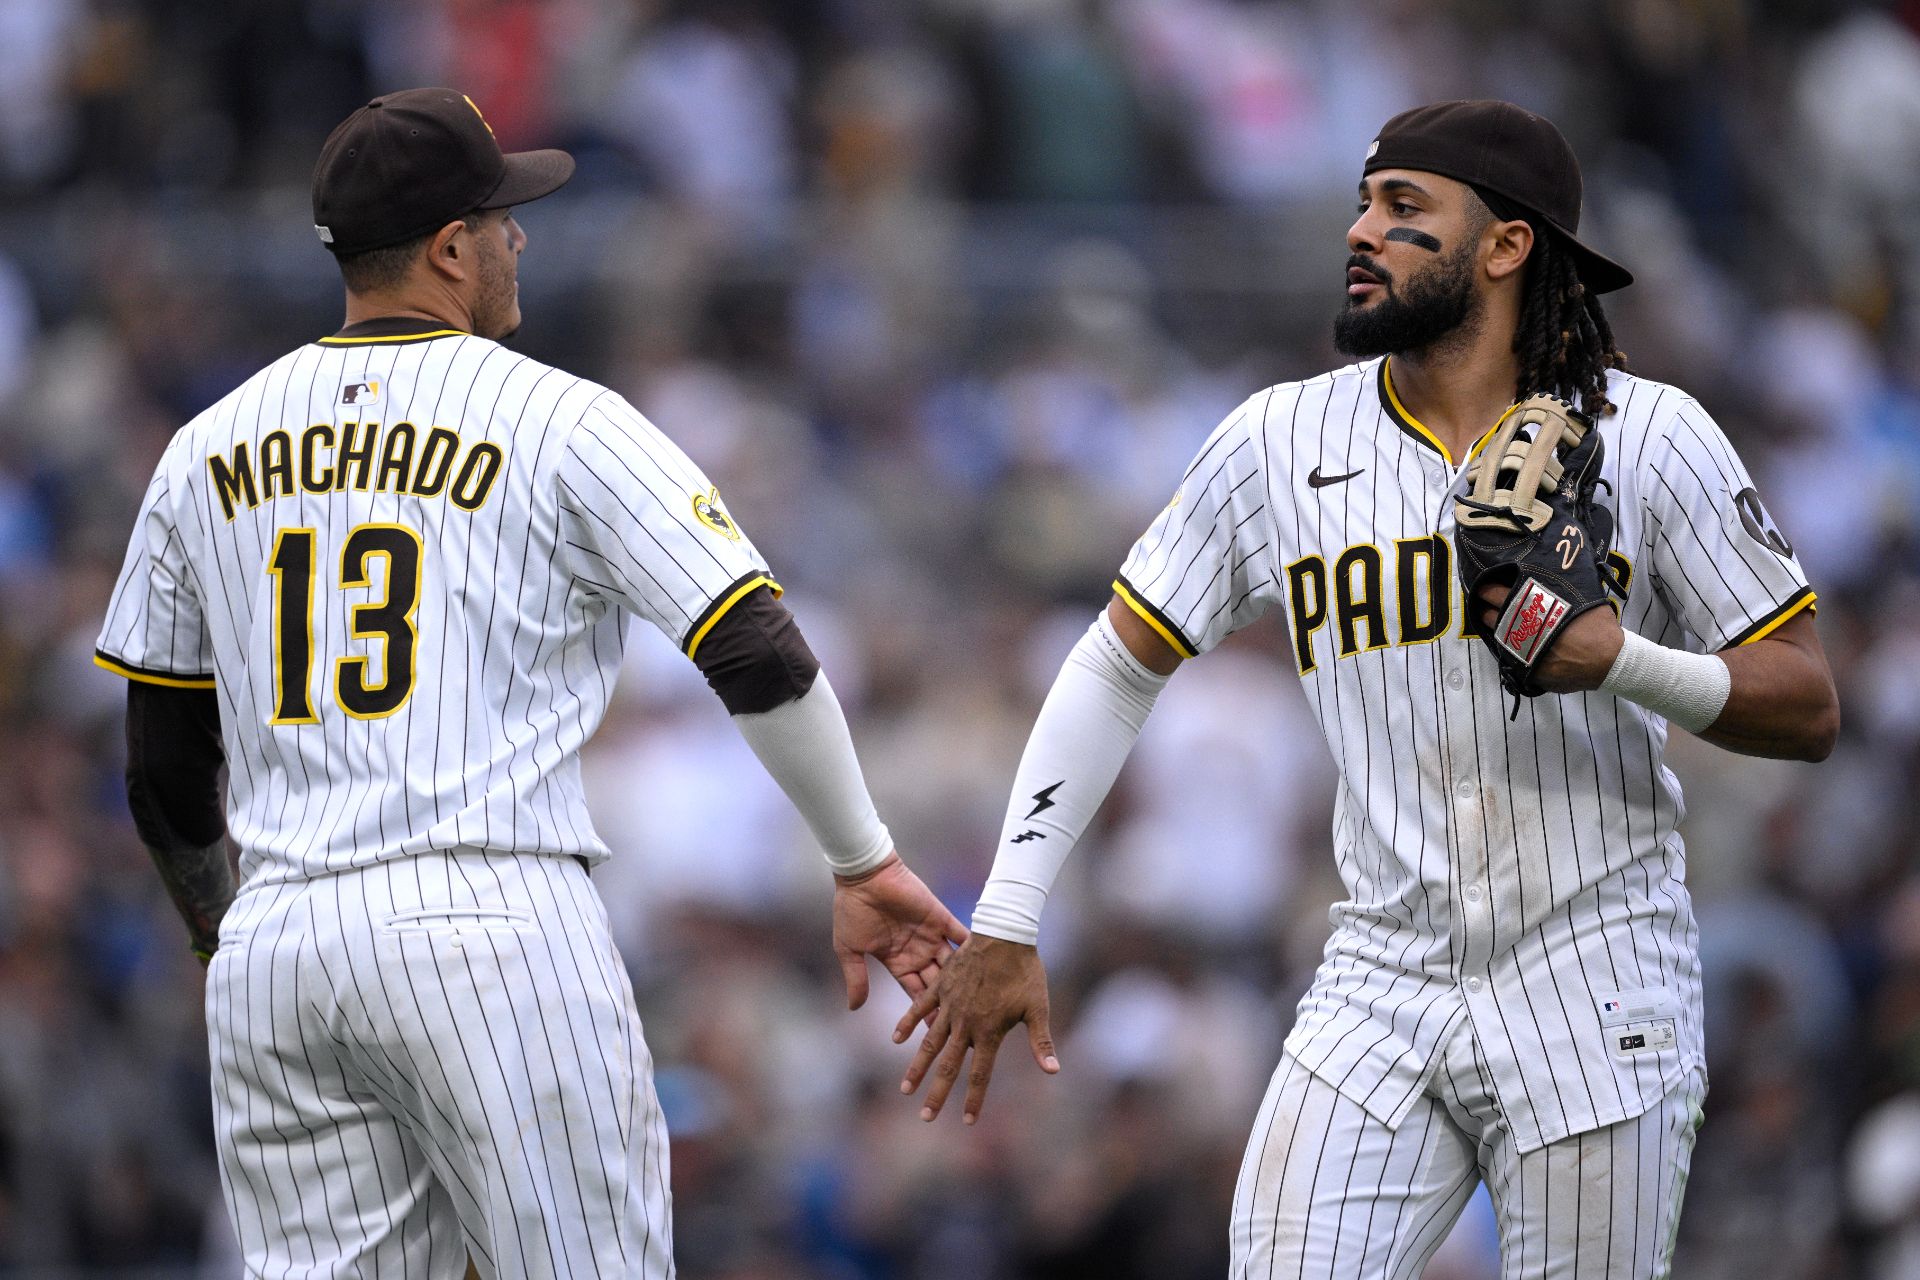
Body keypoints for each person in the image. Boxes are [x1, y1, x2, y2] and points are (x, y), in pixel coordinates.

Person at [899, 100, 1839, 1277]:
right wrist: (1010, 908)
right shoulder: (1277, 439)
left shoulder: (1650, 435)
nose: (1361, 231)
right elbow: (1114, 661)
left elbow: (1807, 703)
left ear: (1507, 245)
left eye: (1404, 209)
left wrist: (1621, 659)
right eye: (1362, 202)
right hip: (1379, 973)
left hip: (1599, 976)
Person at [93, 87, 964, 1278]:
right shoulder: (558, 417)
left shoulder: (204, 447)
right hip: (488, 923)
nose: (520, 237)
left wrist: (223, 940)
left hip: (278, 944)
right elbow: (755, 646)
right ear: (450, 247)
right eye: (502, 216)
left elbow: (161, 771)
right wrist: (863, 858)